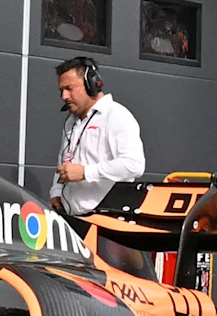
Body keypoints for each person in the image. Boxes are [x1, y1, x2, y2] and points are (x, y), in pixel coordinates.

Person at [50, 57, 146, 235]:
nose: (64, 96)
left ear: (91, 83)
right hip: (72, 220)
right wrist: (56, 191)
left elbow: (134, 165)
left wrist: (86, 172)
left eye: (69, 89)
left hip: (105, 225)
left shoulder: (116, 115)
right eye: (61, 90)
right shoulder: (71, 121)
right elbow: (64, 161)